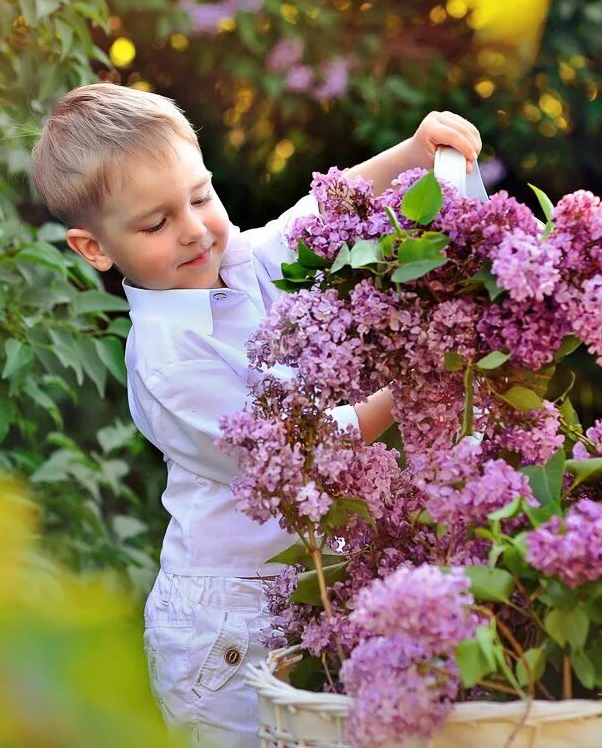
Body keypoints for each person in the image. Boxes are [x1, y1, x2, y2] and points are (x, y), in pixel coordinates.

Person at [30, 82, 483, 747]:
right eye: (156, 223)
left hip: (304, 588)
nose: (192, 230)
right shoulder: (167, 360)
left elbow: (314, 220)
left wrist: (410, 154)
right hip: (226, 633)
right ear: (95, 249)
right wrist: (408, 388)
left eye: (199, 197)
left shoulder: (233, 264)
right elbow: (297, 450)